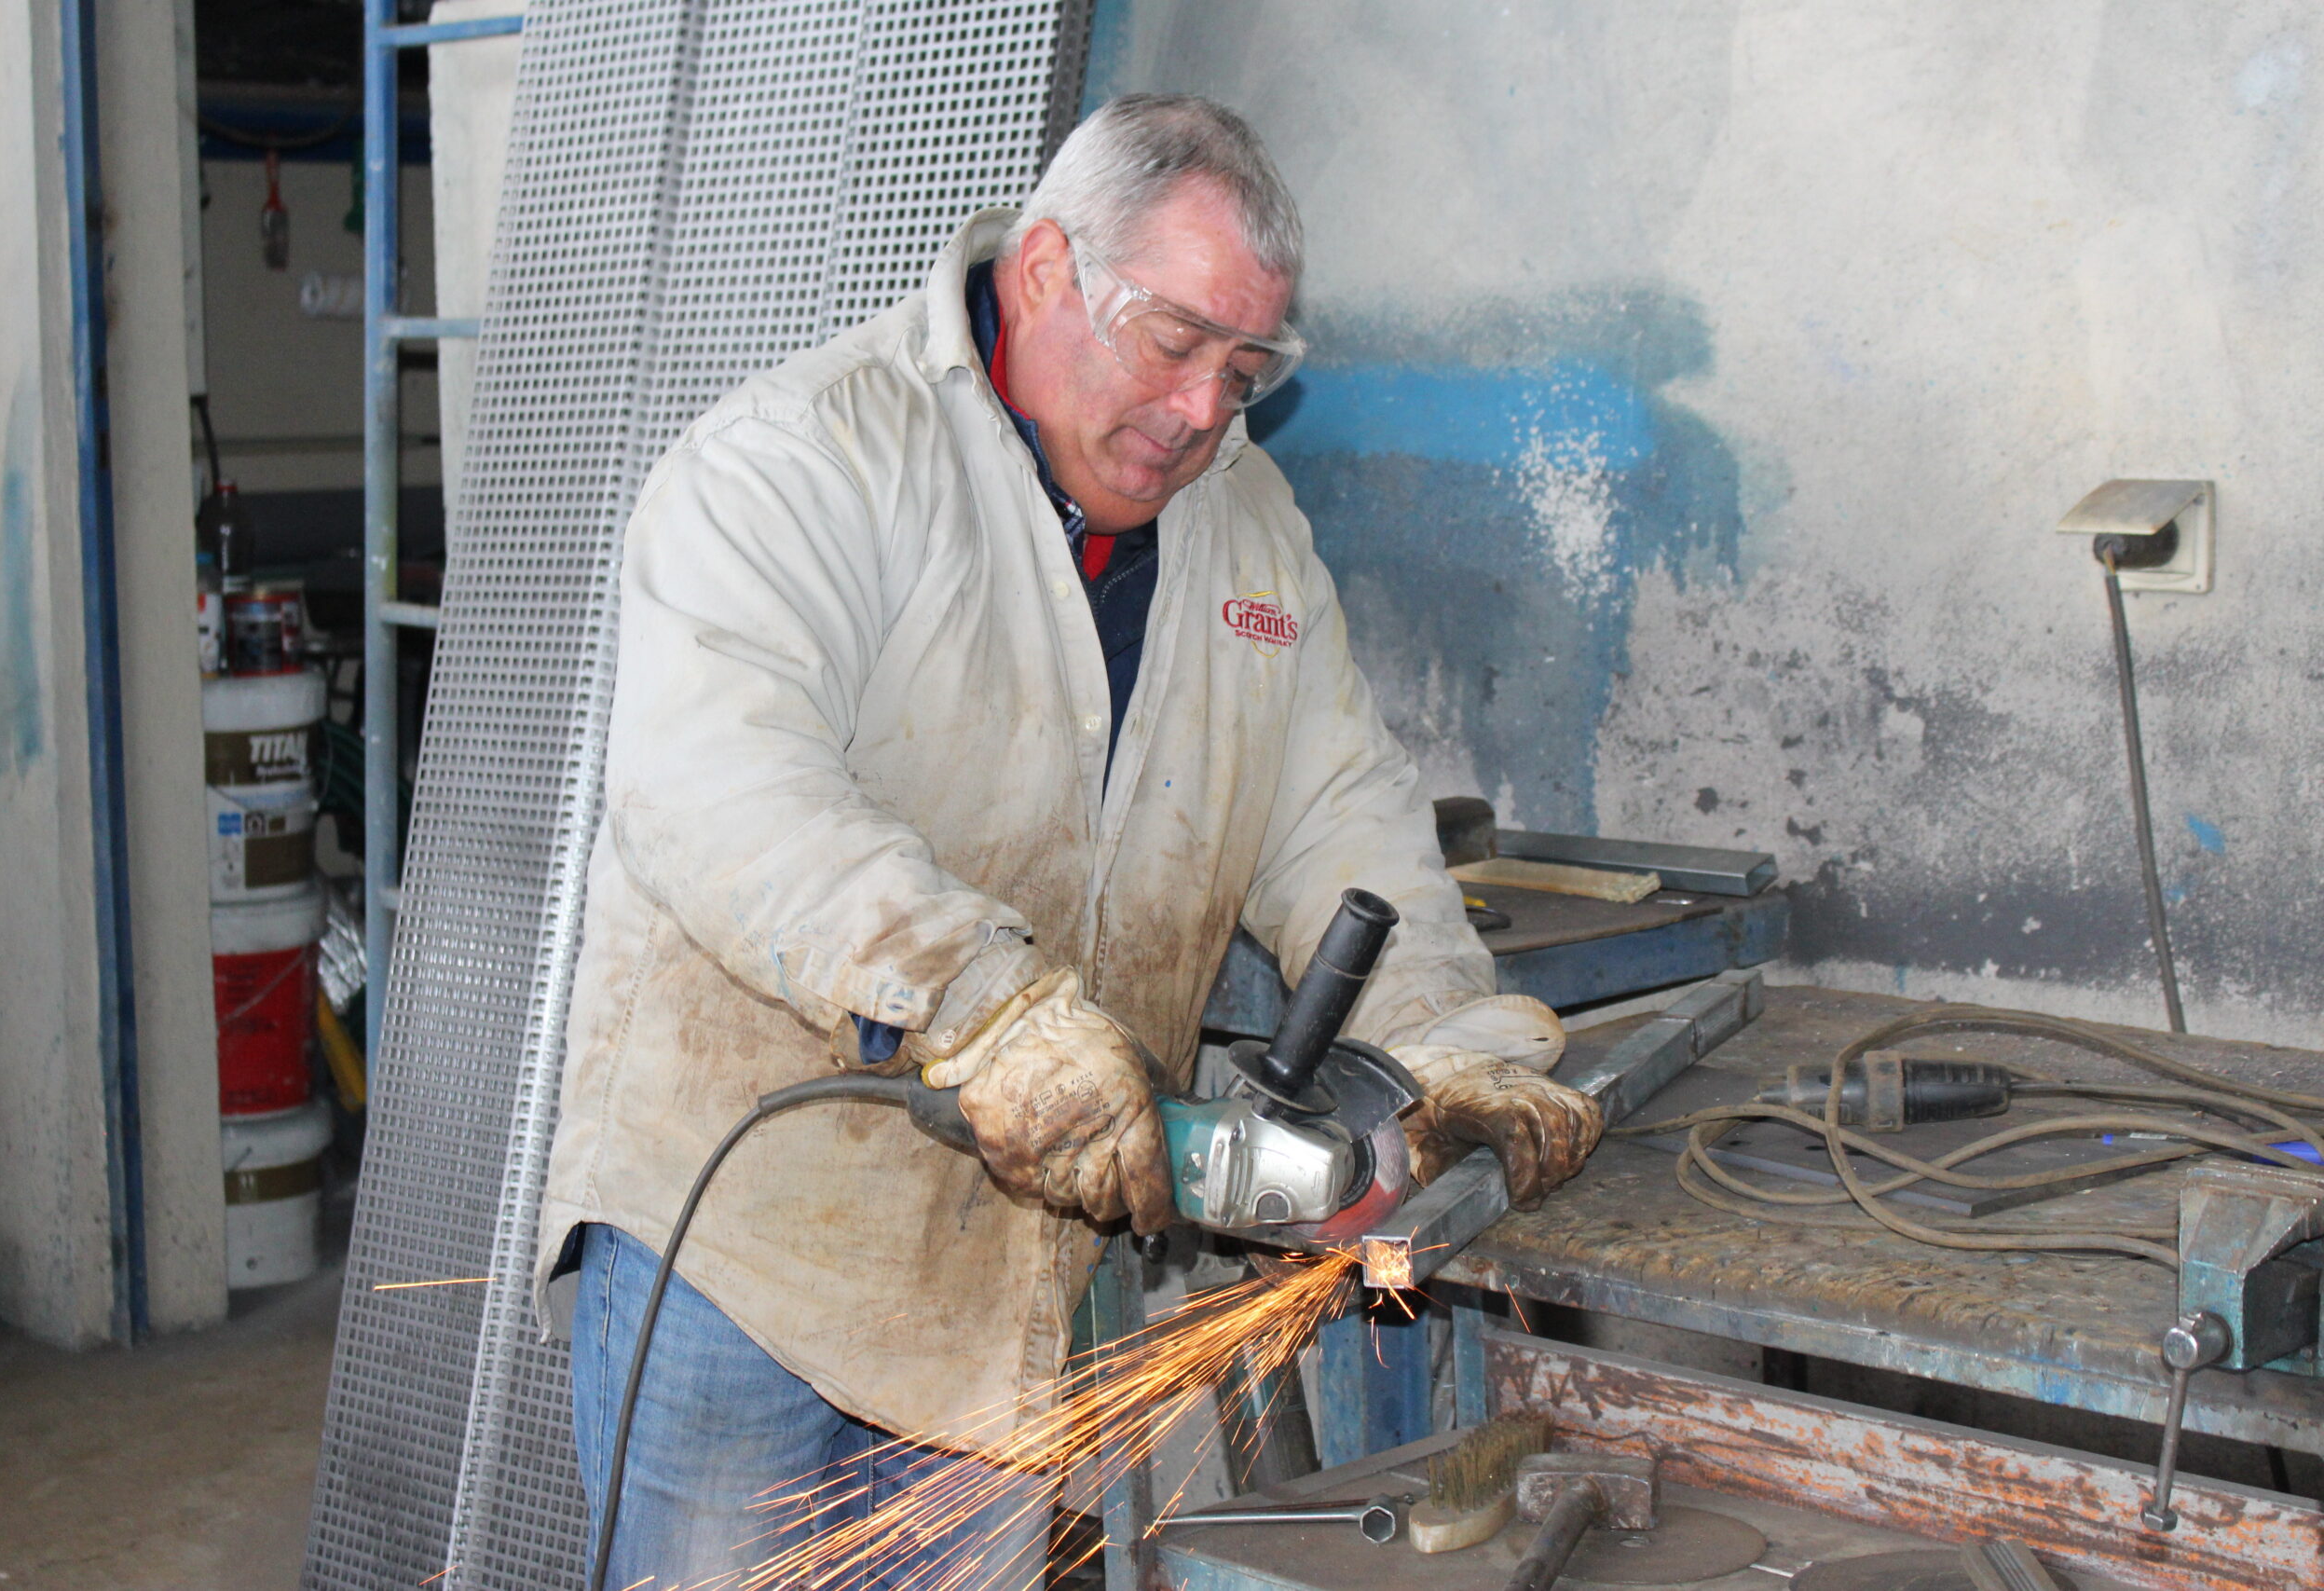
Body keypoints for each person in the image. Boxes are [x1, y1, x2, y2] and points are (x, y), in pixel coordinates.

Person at [537, 93, 1603, 1591]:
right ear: (1044, 273)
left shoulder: (1248, 532)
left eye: (1244, 372)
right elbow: (718, 784)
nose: (1198, 411)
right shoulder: (806, 459)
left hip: (1002, 1298)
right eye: (1172, 346)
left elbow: (1341, 820)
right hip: (750, 1260)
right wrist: (976, 1000)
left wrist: (1449, 1036)